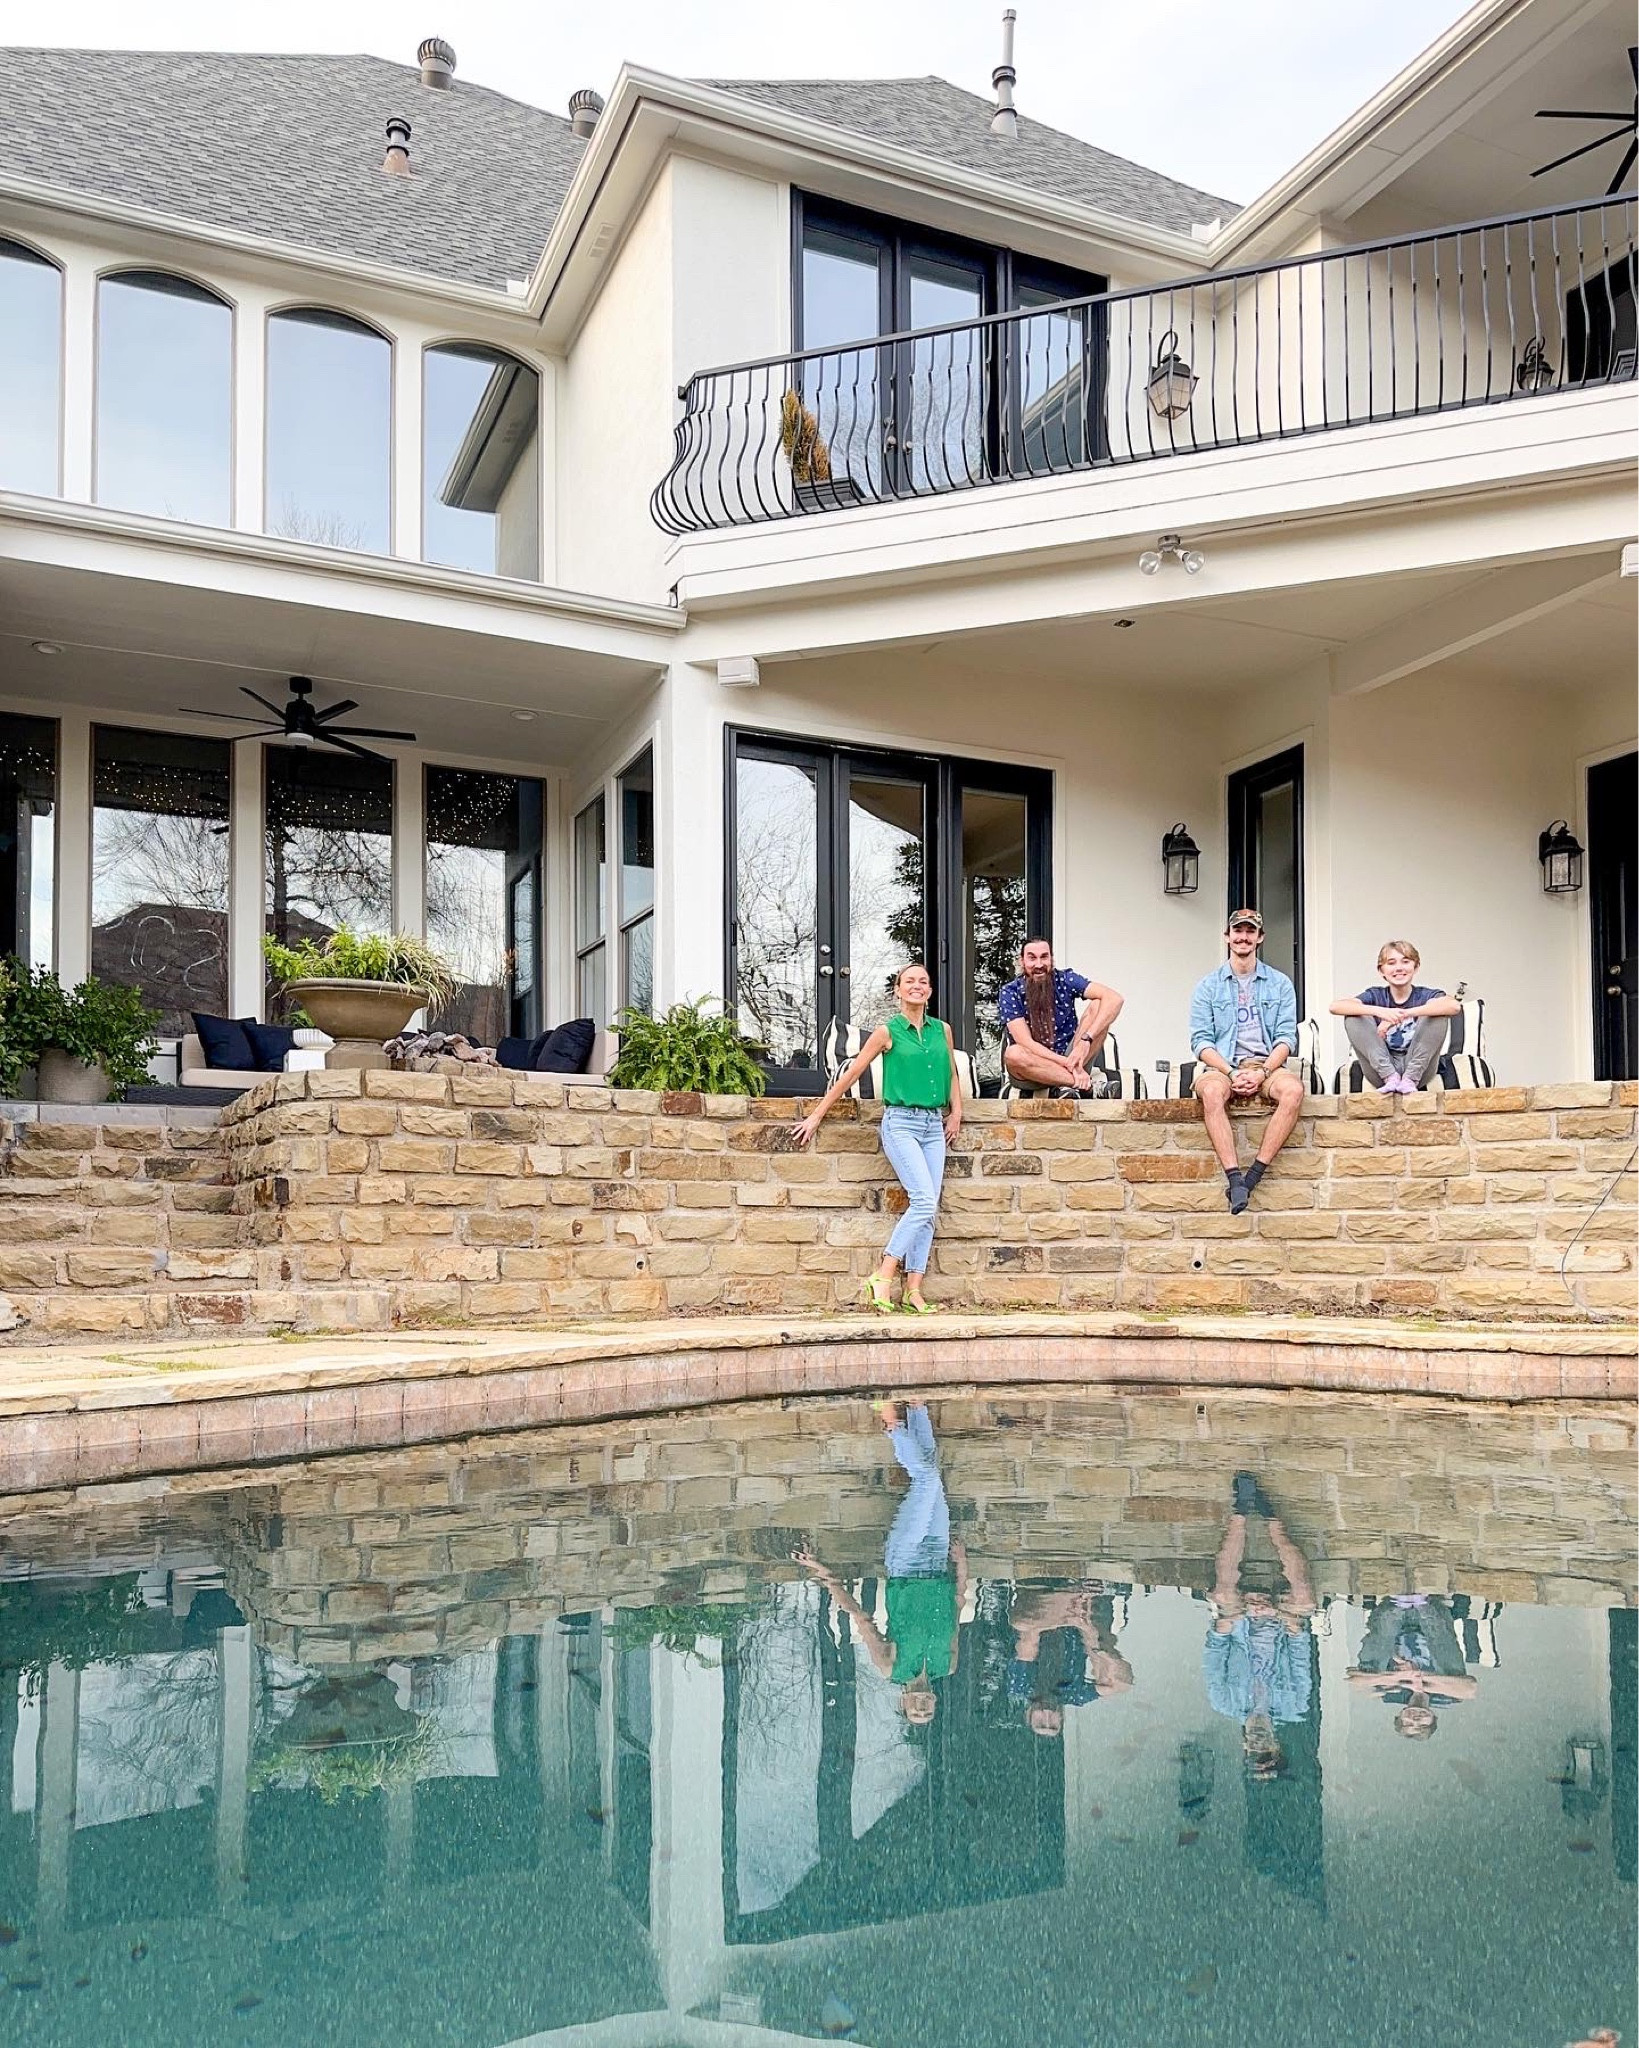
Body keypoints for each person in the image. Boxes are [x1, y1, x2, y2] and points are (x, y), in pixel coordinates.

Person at [792, 961, 960, 1313]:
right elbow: (852, 1072)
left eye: (923, 981)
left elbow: (952, 1073)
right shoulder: (887, 1031)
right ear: (898, 991)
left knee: (929, 1209)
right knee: (924, 1201)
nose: (917, 986)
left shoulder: (941, 1030)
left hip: (933, 1126)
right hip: (901, 1123)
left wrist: (956, 1111)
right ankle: (883, 1275)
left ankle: (913, 1290)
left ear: (929, 991)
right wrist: (817, 1114)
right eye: (908, 981)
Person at [796, 1401, 967, 1727]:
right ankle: (917, 1408)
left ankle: (893, 1425)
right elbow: (956, 1609)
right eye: (926, 1710)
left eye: (914, 1710)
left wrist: (820, 1571)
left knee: (926, 1481)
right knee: (934, 1479)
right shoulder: (949, 1665)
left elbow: (860, 1616)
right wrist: (962, 1567)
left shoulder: (892, 1667)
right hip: (937, 1559)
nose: (921, 1705)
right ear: (934, 1702)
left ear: (903, 1702)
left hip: (904, 1562)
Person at [1188, 909, 1305, 1214]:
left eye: (1249, 931)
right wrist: (1230, 1071)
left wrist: (1264, 1071)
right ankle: (1233, 1176)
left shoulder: (1279, 983)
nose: (1243, 937)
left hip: (1265, 1064)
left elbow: (1285, 1038)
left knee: (1293, 1091)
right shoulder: (1208, 986)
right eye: (1237, 931)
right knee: (1212, 1093)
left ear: (1259, 938)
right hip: (1221, 1064)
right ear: (1227, 937)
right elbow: (1201, 1042)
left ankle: (1251, 1178)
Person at [1204, 1472, 1317, 1782]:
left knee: (1224, 1592)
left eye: (1253, 1753)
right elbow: (1299, 1651)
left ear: (1244, 1747)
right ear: (1276, 1746)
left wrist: (1237, 1618)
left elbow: (1215, 1650)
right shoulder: (1295, 1705)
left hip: (1239, 1624)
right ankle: (1271, 1519)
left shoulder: (1224, 1701)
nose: (1257, 1745)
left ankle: (1241, 1510)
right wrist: (1281, 1616)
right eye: (1265, 1751)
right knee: (1305, 1599)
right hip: (1279, 1624)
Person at [996, 937, 1124, 1097]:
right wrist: (1066, 1064)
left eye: (1044, 956)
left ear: (1051, 959)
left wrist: (1086, 1041)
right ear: (1022, 961)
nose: (1039, 964)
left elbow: (1115, 999)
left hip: (1074, 1058)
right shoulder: (1010, 992)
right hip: (1035, 1068)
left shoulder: (1066, 979)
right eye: (1032, 958)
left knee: (1099, 1005)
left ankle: (1066, 1085)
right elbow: (1025, 1042)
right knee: (1013, 1054)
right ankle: (1086, 1086)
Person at [1329, 940, 1460, 1095]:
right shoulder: (1375, 995)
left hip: (1420, 1068)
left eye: (1405, 962)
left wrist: (1404, 1014)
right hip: (1381, 1069)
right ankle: (1391, 1077)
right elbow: (1335, 1007)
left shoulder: (1426, 995)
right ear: (1381, 970)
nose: (1399, 968)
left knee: (1436, 1013)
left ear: (1415, 967)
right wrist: (1379, 1012)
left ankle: (1409, 1079)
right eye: (1391, 963)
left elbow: (1454, 1006)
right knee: (1353, 1016)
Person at [1007, 1582, 1133, 1739]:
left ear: (1028, 1716)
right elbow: (1122, 1685)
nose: (1047, 1715)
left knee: (1022, 1622)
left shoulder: (1021, 1687)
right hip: (1077, 1615)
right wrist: (1091, 1637)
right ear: (1062, 1719)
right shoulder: (1074, 1695)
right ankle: (1082, 1592)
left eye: (1040, 1723)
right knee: (1107, 1668)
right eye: (1052, 1725)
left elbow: (1029, 1638)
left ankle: (1073, 1592)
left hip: (1044, 1614)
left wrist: (1066, 1614)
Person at [1346, 1594, 1478, 1738]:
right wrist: (1419, 1679)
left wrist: (1396, 1676)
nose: (1415, 1720)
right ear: (1433, 1717)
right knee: (1454, 1674)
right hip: (1431, 1617)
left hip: (1392, 1619)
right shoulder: (1446, 1697)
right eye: (1423, 1725)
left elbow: (1353, 1679)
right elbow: (1470, 1689)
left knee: (1370, 1669)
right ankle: (1421, 1604)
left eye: (1408, 1723)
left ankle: (1400, 1604)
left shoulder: (1391, 1695)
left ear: (1400, 1715)